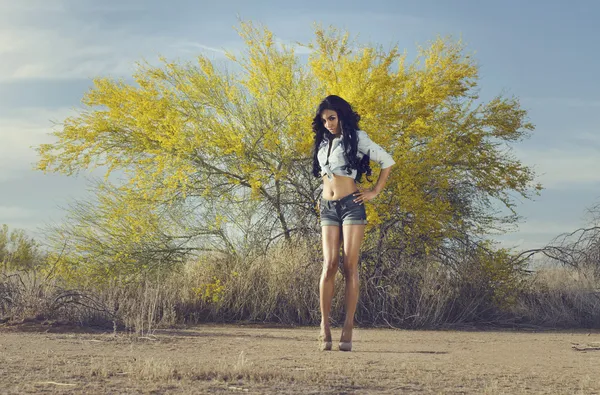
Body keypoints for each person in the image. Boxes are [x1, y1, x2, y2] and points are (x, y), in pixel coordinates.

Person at [312, 95, 395, 351]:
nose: (328, 124)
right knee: (329, 264)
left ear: (342, 116)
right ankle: (325, 326)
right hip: (327, 207)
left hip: (351, 205)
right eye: (324, 120)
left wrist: (373, 192)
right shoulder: (323, 141)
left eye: (332, 118)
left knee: (349, 265)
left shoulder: (357, 138)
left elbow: (388, 161)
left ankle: (348, 326)